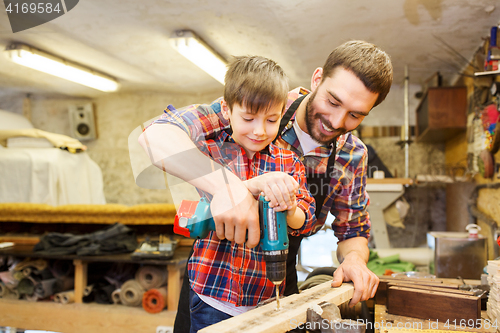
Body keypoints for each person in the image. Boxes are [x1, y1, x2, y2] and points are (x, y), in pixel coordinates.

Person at [140, 40, 393, 333]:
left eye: (355, 115)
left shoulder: (352, 154)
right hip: (213, 275)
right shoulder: (261, 102)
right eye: (333, 102)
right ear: (317, 79)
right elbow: (156, 136)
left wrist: (354, 260)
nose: (336, 121)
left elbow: (354, 231)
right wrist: (231, 189)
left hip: (276, 275)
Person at [140, 55, 318, 332]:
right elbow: (156, 137)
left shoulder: (289, 161)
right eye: (248, 118)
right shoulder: (208, 150)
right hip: (211, 294)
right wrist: (238, 188)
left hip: (266, 298)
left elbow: (307, 220)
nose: (259, 130)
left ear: (282, 113)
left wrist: (290, 208)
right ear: (226, 109)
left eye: (271, 120)